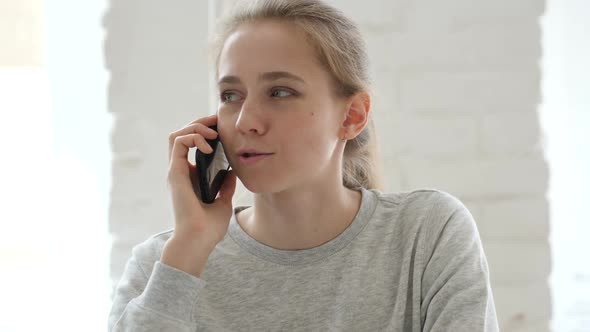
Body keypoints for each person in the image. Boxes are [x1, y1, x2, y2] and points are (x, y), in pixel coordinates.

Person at [108, 0, 499, 331]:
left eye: (280, 92)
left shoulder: (426, 234)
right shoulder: (163, 265)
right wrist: (190, 246)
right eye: (230, 95)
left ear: (352, 116)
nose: (245, 121)